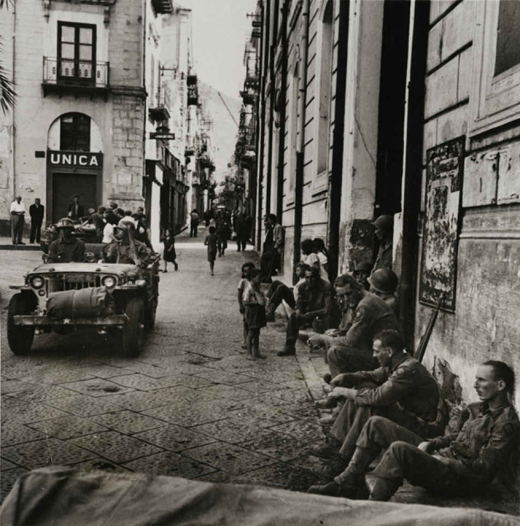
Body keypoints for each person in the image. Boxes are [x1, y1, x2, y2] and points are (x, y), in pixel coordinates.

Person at [309, 360, 518, 501]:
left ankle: (374, 509)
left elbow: (482, 470)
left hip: (459, 481)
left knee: (400, 450)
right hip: (441, 460)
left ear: (500, 385)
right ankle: (346, 481)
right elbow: (456, 437)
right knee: (376, 423)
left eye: (482, 380)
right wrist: (433, 444)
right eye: (476, 379)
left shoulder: (505, 423)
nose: (475, 385)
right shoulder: (477, 408)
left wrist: (444, 461)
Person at [309, 330, 447, 479]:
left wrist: (344, 392)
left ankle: (341, 462)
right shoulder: (394, 362)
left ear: (389, 351)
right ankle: (335, 443)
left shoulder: (407, 370)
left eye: (376, 351)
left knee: (371, 405)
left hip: (423, 429)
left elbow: (378, 397)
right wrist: (348, 377)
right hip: (409, 418)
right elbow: (372, 375)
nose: (373, 355)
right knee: (365, 387)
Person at [323, 274, 399, 381]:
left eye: (348, 294)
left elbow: (351, 341)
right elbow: (349, 328)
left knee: (335, 352)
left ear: (357, 289)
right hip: (375, 348)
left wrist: (322, 339)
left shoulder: (365, 305)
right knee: (334, 342)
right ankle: (344, 378)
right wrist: (336, 333)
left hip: (384, 357)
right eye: (341, 296)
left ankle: (340, 390)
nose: (345, 299)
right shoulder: (359, 299)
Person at [278, 267, 332, 357]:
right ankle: (289, 347)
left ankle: (324, 347)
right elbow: (299, 301)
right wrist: (298, 310)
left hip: (320, 314)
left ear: (318, 277)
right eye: (307, 277)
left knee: (322, 319)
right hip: (307, 312)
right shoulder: (302, 286)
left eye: (312, 277)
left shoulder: (326, 287)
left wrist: (312, 314)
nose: (309, 280)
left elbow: (327, 309)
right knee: (293, 317)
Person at [242, 268, 267, 360]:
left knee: (257, 332)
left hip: (258, 312)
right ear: (253, 278)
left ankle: (256, 351)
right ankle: (249, 353)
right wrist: (257, 302)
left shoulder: (257, 287)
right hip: (252, 313)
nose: (260, 279)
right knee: (251, 333)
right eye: (258, 277)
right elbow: (245, 302)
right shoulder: (249, 288)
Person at [238, 262, 256, 349]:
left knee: (253, 324)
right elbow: (239, 294)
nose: (247, 273)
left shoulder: (255, 280)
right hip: (246, 305)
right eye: (245, 271)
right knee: (246, 323)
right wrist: (240, 305)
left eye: (249, 271)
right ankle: (246, 341)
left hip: (254, 305)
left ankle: (252, 340)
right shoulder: (243, 281)